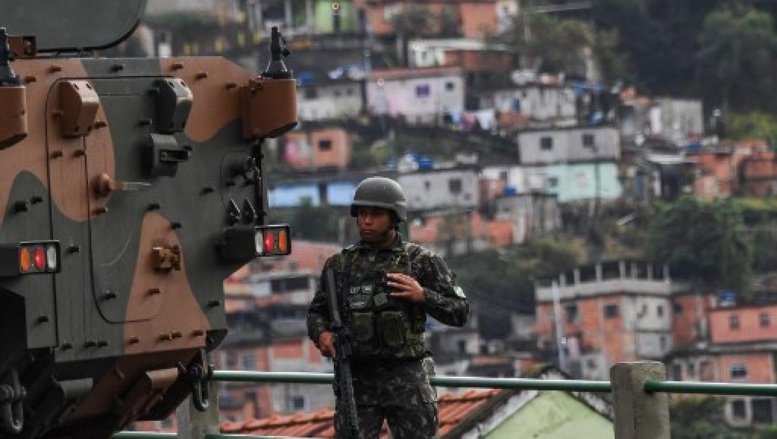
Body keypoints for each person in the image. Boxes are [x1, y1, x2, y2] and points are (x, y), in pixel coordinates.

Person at [307, 176, 469, 439]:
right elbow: (317, 312)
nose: (366, 221)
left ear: (394, 217)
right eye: (361, 214)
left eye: (376, 214)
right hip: (357, 380)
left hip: (406, 378)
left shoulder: (420, 261)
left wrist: (423, 295)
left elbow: (460, 311)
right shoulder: (339, 265)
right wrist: (322, 334)